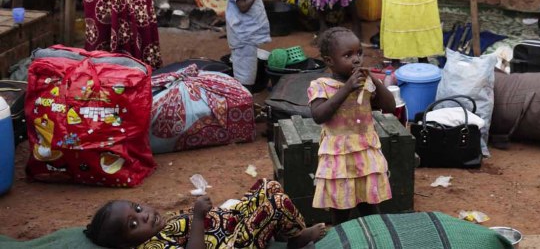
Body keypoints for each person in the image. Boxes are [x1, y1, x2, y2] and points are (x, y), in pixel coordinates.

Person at [83, 178, 326, 248]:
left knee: (268, 186)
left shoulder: (159, 227)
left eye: (137, 209)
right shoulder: (152, 247)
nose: (144, 215)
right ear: (127, 245)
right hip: (233, 244)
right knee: (278, 203)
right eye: (134, 224)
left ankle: (282, 232)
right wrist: (199, 217)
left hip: (230, 224)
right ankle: (296, 239)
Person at [308, 27, 396, 224]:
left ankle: (373, 240)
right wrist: (347, 88)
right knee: (341, 210)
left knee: (370, 207)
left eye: (359, 53)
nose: (356, 59)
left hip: (366, 153)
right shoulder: (321, 85)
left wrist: (373, 79)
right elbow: (319, 115)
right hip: (338, 158)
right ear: (330, 61)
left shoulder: (365, 83)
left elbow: (389, 106)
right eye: (347, 55)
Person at [223, 0, 271, 87]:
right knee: (244, 75)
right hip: (242, 37)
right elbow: (243, 7)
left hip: (248, 35)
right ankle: (243, 101)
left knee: (249, 70)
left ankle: (245, 99)